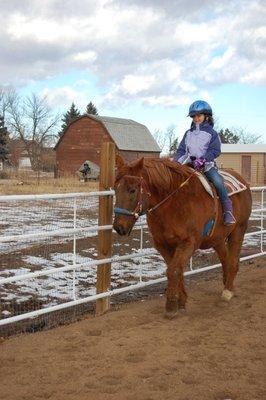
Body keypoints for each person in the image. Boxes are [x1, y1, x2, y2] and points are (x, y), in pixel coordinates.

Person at [173, 100, 235, 225]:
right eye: (194, 116)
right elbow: (181, 150)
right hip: (189, 164)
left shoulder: (212, 133)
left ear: (206, 116)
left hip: (207, 166)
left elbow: (215, 150)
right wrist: (176, 162)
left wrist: (204, 159)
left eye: (199, 116)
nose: (196, 118)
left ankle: (228, 210)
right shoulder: (188, 133)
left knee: (217, 182)